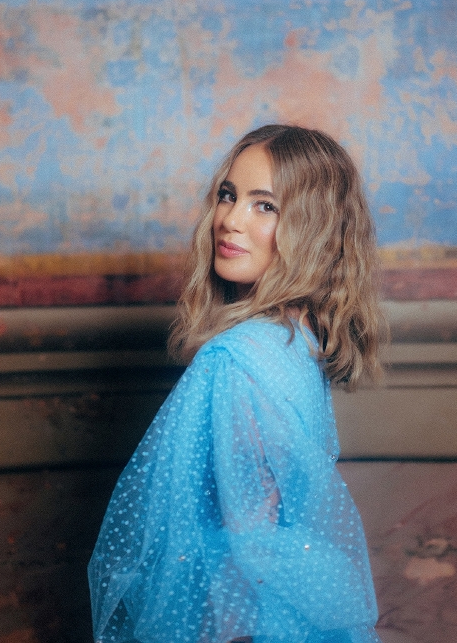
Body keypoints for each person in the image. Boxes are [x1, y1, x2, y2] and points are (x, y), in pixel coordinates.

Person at [88, 124, 384, 643]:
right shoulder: (297, 340)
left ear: (313, 229)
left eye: (264, 205)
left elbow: (247, 544)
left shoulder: (235, 359)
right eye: (229, 195)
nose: (229, 219)